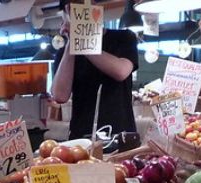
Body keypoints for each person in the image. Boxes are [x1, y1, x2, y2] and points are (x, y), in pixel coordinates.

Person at [51, 0, 139, 140]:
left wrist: (81, 41)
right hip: (82, 138)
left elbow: (121, 71)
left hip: (120, 134)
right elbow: (60, 96)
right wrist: (71, 45)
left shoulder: (123, 38)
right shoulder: (64, 54)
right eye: (72, 9)